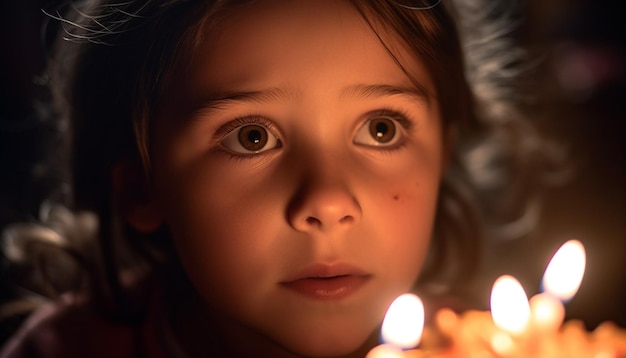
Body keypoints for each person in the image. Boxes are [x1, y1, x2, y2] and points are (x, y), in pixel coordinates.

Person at [0, 0, 561, 357]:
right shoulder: (65, 350)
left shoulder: (482, 347)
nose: (328, 201)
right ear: (142, 185)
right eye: (252, 137)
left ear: (444, 154)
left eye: (382, 128)